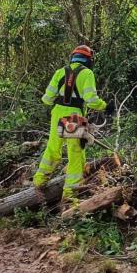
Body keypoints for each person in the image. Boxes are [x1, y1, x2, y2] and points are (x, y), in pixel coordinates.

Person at [33, 44, 107, 202]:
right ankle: (70, 195)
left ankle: (39, 181)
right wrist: (105, 106)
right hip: (74, 116)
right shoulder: (87, 73)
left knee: (53, 148)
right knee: (75, 153)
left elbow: (46, 99)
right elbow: (92, 100)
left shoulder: (60, 72)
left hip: (57, 113)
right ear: (88, 60)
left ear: (72, 58)